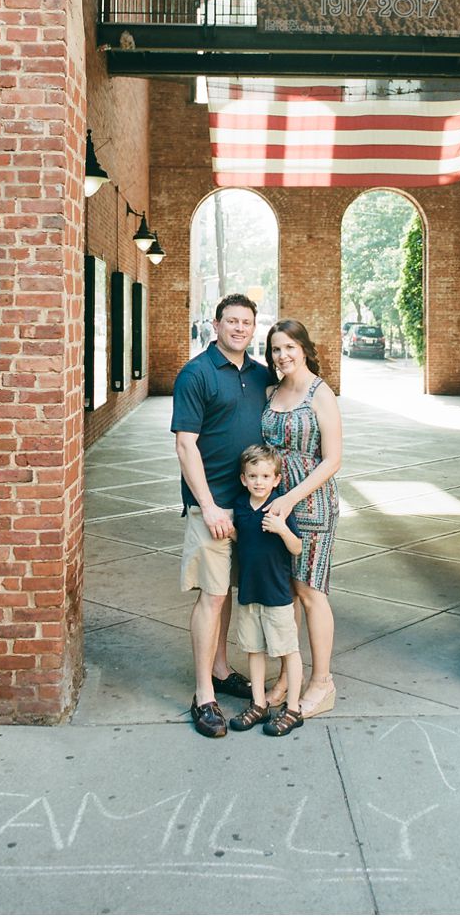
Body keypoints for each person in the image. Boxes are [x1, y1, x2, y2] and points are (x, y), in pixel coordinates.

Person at [173, 293, 275, 738]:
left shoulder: (260, 374)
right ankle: (203, 695)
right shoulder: (196, 373)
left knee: (229, 592)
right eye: (231, 321)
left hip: (249, 508)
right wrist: (210, 505)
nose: (239, 328)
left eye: (246, 322)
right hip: (211, 507)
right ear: (215, 325)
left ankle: (219, 668)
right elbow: (185, 445)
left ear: (254, 328)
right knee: (211, 597)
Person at [260, 318, 343, 718]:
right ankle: (285, 677)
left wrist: (292, 497)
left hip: (310, 503)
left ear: (305, 349)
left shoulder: (320, 394)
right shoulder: (271, 390)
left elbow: (333, 459)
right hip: (274, 504)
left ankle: (322, 682)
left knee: (311, 592)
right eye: (276, 349)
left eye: (290, 347)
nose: (283, 355)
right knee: (285, 593)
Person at [225, 445, 304, 736]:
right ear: (244, 479)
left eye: (265, 476)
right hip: (249, 592)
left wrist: (282, 529)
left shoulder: (279, 508)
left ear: (276, 479)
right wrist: (227, 529)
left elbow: (296, 547)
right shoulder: (241, 506)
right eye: (253, 476)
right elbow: (240, 538)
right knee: (254, 649)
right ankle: (259, 703)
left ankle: (293, 708)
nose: (259, 481)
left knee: (288, 650)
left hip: (277, 594)